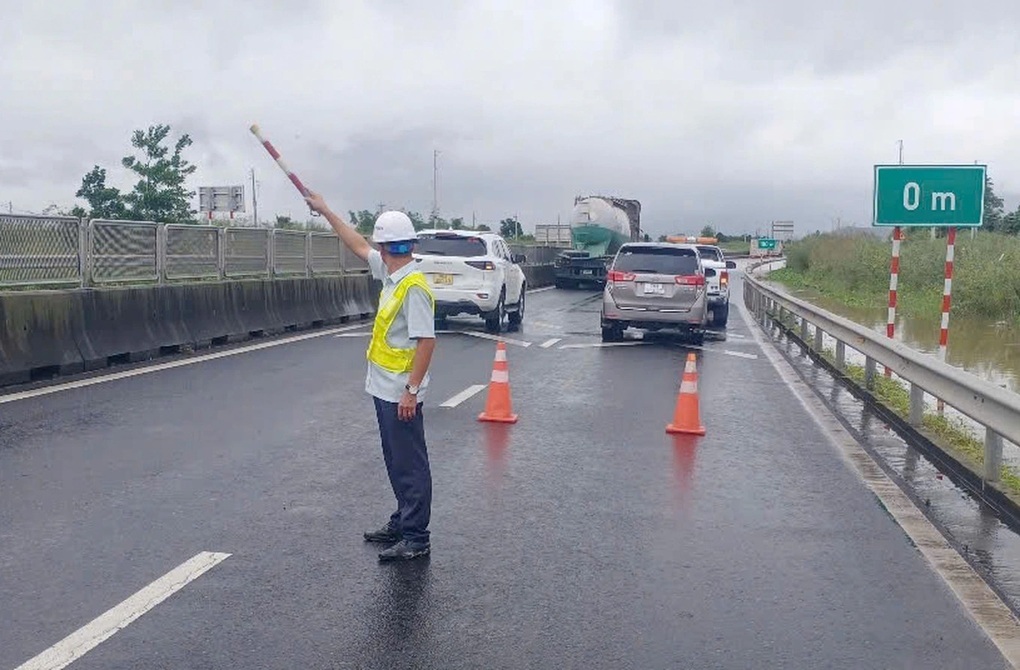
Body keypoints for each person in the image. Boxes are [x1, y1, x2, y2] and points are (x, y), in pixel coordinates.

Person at [305, 191, 436, 562]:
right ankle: (402, 520)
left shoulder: (413, 287)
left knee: (410, 464)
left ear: (388, 246)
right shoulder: (393, 273)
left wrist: (411, 391)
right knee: (395, 459)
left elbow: (427, 342)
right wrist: (326, 210)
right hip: (384, 387)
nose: (374, 250)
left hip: (400, 392)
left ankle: (416, 536)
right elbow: (358, 245)